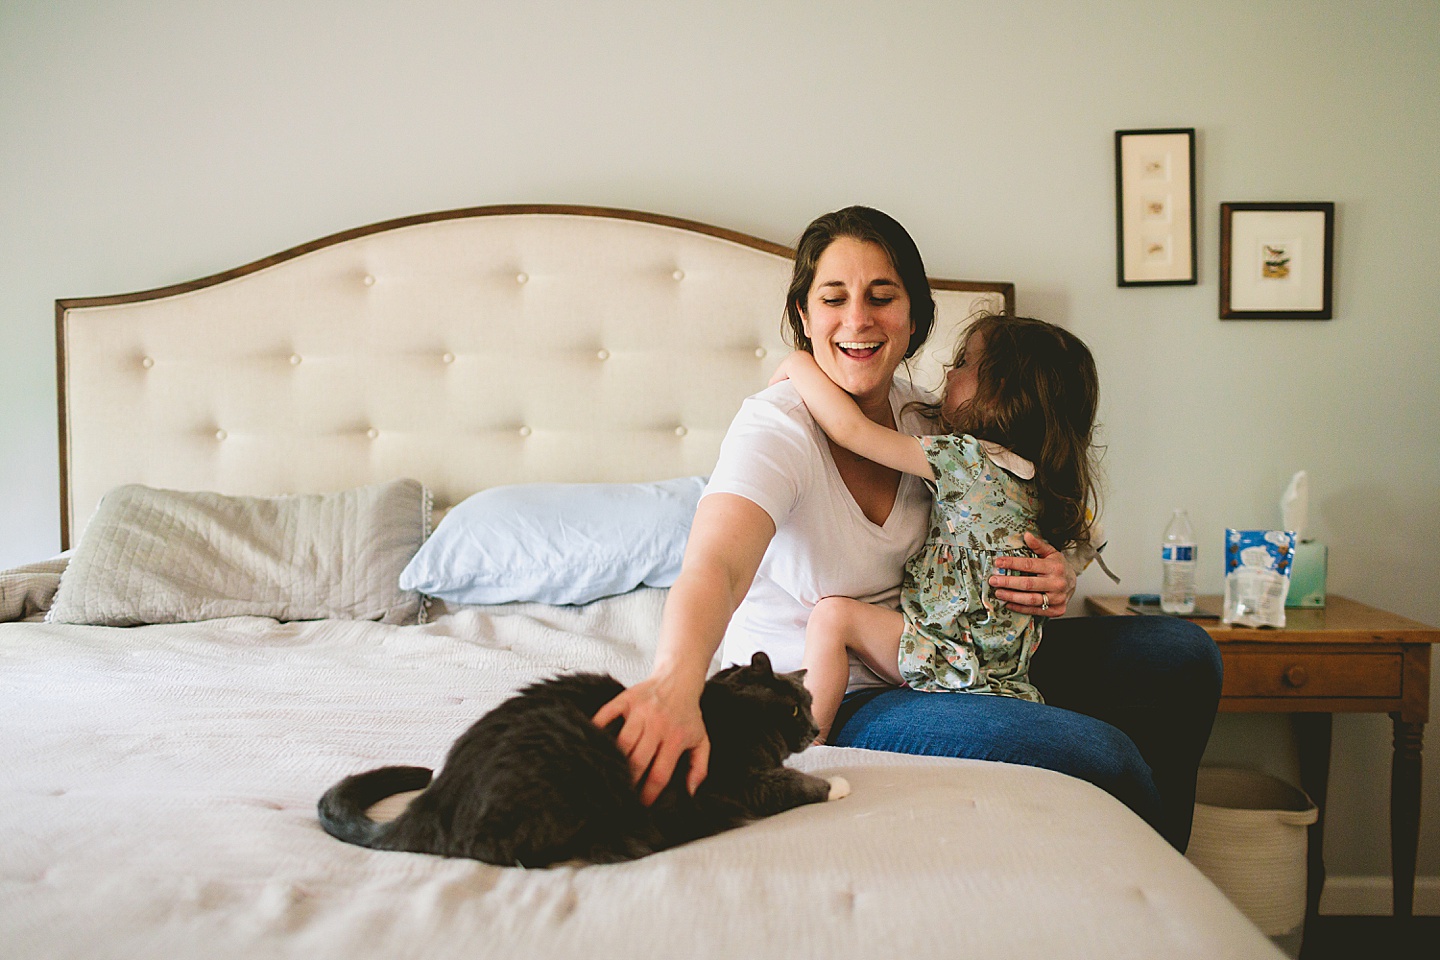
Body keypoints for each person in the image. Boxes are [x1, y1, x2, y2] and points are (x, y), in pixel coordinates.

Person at [593, 205, 1221, 851]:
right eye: (833, 298)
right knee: (1098, 755)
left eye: (882, 297)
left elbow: (1023, 506)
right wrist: (674, 678)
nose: (858, 319)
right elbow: (717, 563)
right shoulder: (775, 428)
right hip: (831, 690)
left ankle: (1167, 868)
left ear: (915, 316)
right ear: (805, 318)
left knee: (1181, 654)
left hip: (941, 651)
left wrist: (1053, 573)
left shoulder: (933, 417)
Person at [769, 313, 1102, 744]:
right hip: (1002, 671)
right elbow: (1086, 543)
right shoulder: (1040, 479)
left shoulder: (964, 459)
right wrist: (1069, 570)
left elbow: (852, 430)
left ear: (999, 390)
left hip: (946, 655)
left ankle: (810, 745)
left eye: (963, 362)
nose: (948, 371)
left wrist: (797, 364)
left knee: (833, 616)